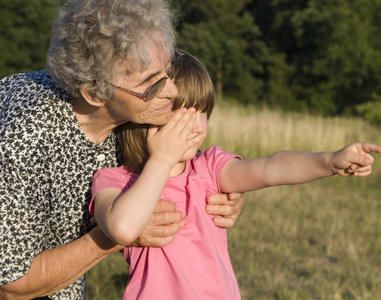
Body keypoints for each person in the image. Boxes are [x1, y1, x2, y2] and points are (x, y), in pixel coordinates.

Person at [90, 50, 381, 299]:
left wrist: (330, 161)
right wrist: (162, 159)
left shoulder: (209, 167)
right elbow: (123, 227)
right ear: (145, 117)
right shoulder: (115, 180)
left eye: (203, 113)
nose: (198, 128)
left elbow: (271, 168)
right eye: (183, 116)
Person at [0, 1, 244, 299]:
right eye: (151, 85)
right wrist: (117, 231)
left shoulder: (135, 114)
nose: (172, 91)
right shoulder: (23, 139)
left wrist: (217, 196)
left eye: (168, 69)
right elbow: (11, 283)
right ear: (94, 92)